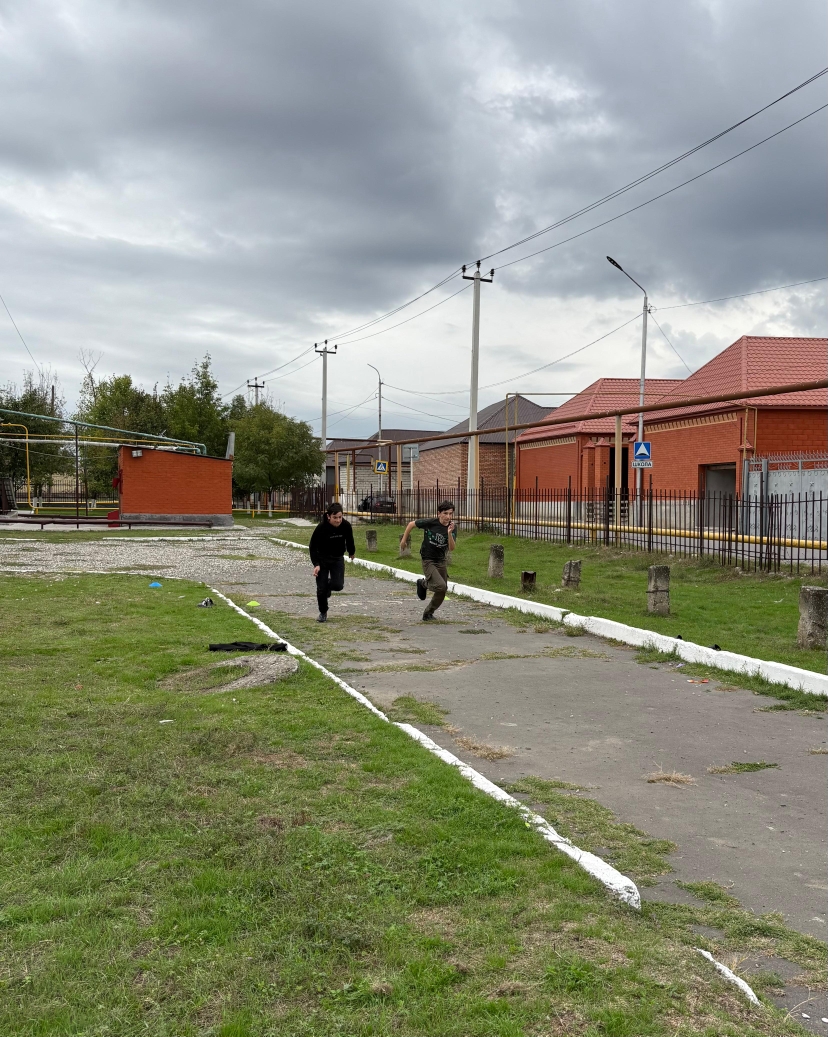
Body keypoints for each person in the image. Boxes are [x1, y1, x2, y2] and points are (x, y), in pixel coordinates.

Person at [399, 500, 456, 621]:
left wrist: (449, 533)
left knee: (442, 590)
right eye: (445, 513)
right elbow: (411, 524)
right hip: (428, 559)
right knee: (440, 586)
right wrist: (404, 540)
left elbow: (451, 548)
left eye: (450, 514)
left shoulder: (452, 527)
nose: (448, 517)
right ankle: (423, 584)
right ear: (439, 513)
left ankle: (428, 613)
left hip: (441, 560)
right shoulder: (431, 522)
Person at [309, 502, 355, 623]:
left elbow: (349, 539)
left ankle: (328, 587)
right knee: (321, 589)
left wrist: (351, 551)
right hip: (322, 559)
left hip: (337, 558)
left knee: (338, 585)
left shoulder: (346, 526)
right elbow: (312, 547)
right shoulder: (321, 528)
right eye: (335, 517)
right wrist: (316, 564)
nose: (338, 520)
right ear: (328, 516)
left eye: (340, 517)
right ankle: (323, 612)